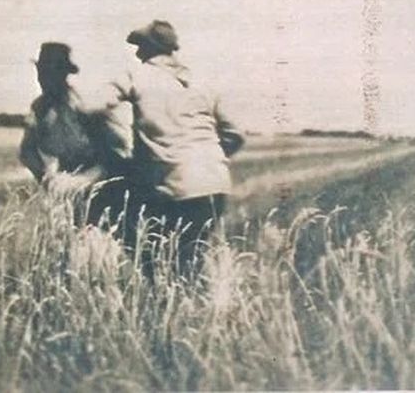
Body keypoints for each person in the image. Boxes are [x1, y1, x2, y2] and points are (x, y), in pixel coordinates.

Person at [98, 19, 245, 276]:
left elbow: (94, 106)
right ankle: (199, 307)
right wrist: (207, 158)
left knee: (158, 265)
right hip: (213, 183)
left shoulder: (137, 75)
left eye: (139, 48)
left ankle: (169, 310)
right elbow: (235, 133)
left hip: (171, 186)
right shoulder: (201, 80)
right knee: (191, 260)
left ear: (146, 49)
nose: (137, 53)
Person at [18, 42, 125, 227]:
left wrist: (84, 181)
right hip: (65, 191)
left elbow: (115, 157)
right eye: (41, 73)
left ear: (63, 75)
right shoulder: (39, 108)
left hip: (101, 190)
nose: (43, 79)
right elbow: (27, 151)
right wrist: (48, 179)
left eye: (50, 74)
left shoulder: (85, 107)